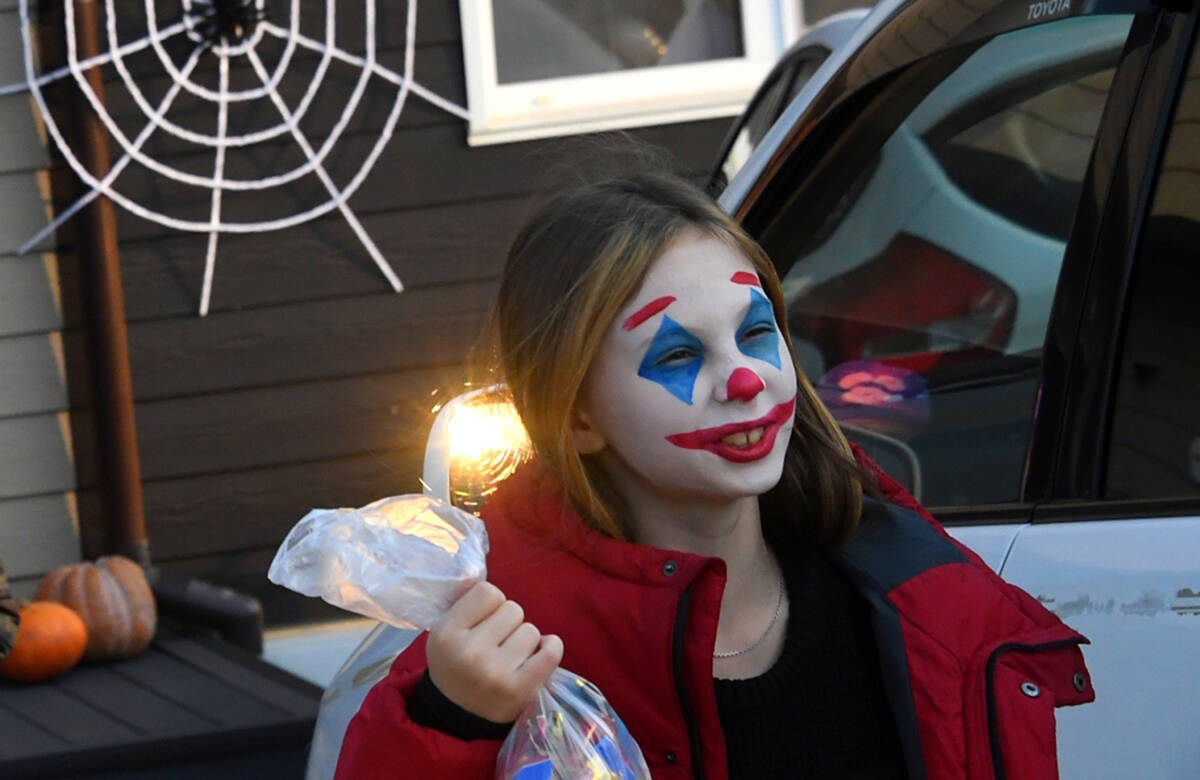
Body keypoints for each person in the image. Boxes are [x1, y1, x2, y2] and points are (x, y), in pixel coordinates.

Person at [334, 171, 1093, 779]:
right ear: (575, 417)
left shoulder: (902, 600)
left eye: (755, 332)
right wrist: (453, 721)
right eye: (677, 354)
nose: (744, 379)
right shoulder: (508, 646)